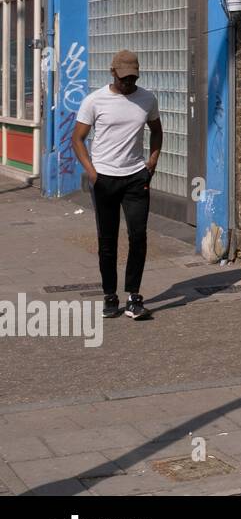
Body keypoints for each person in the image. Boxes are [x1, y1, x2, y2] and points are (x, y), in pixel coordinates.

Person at [71, 50, 163, 320]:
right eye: (124, 78)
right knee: (107, 240)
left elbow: (157, 131)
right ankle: (110, 295)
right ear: (113, 72)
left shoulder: (147, 99)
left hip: (135, 177)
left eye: (133, 78)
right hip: (105, 179)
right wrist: (92, 172)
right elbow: (77, 139)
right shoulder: (95, 101)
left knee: (138, 236)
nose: (128, 83)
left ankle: (134, 297)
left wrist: (152, 162)